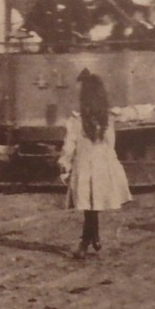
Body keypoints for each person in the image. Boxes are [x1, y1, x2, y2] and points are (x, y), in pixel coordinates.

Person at [58, 69, 132, 260]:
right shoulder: (107, 118)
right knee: (93, 203)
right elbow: (114, 138)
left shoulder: (76, 121)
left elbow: (69, 145)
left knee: (89, 205)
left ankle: (84, 243)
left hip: (84, 166)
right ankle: (94, 236)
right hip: (103, 166)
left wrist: (64, 163)